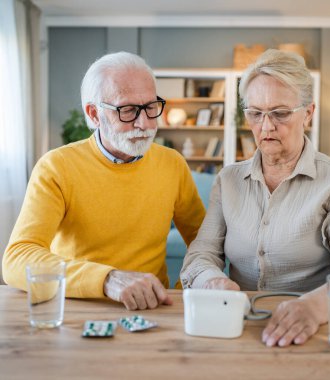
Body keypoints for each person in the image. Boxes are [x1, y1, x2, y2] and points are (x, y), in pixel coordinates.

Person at [180, 49, 330, 347]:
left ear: (308, 113)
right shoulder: (228, 181)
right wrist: (212, 279)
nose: (266, 126)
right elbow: (200, 254)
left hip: (311, 329)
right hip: (238, 330)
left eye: (281, 113)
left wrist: (313, 307)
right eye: (255, 113)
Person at [3, 51, 206, 310]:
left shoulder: (173, 163)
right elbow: (17, 259)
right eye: (128, 110)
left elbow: (203, 241)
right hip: (79, 306)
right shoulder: (56, 167)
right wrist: (107, 279)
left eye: (151, 107)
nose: (144, 123)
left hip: (152, 307)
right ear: (94, 114)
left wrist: (180, 293)